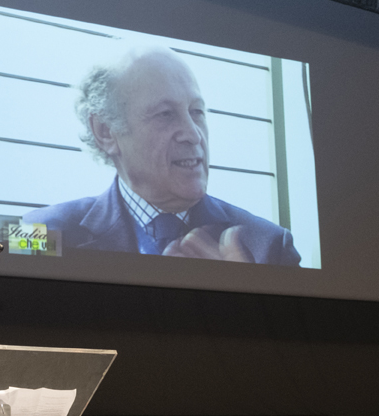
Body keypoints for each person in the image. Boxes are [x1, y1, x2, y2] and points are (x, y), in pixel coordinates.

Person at [24, 47, 301, 265]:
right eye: (166, 114)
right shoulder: (35, 231)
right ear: (105, 131)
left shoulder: (271, 245)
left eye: (197, 112)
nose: (193, 135)